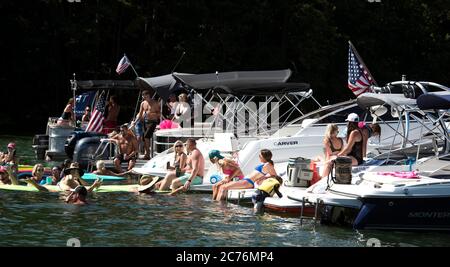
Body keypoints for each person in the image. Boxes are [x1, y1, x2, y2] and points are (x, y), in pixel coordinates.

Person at [132, 90, 161, 160]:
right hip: (145, 121)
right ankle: (147, 153)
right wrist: (135, 122)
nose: (145, 97)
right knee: (144, 139)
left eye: (146, 96)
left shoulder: (155, 103)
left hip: (153, 121)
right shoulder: (143, 103)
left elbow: (159, 114)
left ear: (149, 95)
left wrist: (151, 114)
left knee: (146, 137)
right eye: (144, 96)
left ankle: (147, 153)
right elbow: (140, 114)